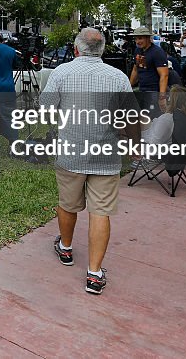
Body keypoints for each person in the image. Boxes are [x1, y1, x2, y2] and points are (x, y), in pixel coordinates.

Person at [41, 27, 139, 295]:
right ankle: (94, 274)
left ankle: (66, 248)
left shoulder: (61, 72)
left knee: (67, 204)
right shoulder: (117, 76)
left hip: (70, 152)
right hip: (106, 156)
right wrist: (134, 144)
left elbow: (46, 109)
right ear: (103, 49)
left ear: (76, 48)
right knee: (101, 212)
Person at [129, 26, 170, 119]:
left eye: (140, 38)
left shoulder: (157, 52)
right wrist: (128, 86)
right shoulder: (138, 50)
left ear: (148, 38)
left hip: (154, 91)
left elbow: (164, 75)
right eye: (136, 39)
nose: (137, 41)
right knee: (143, 119)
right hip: (142, 89)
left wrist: (162, 96)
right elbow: (135, 69)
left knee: (153, 119)